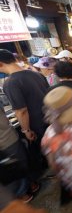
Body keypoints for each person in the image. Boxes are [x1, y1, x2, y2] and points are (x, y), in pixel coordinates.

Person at [0, 49, 49, 181]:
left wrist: (26, 130)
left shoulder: (10, 83)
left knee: (42, 153)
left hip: (36, 124)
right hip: (49, 118)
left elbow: (21, 111)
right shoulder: (36, 74)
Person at [0, 104, 32, 202]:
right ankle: (23, 194)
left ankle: (25, 189)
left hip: (7, 139)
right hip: (7, 140)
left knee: (17, 167)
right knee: (18, 167)